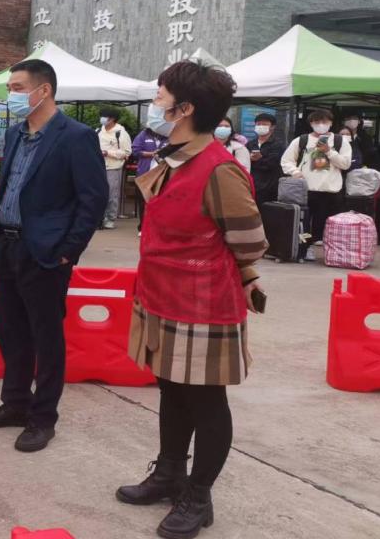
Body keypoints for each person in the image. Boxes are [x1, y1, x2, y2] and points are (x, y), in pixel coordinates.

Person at [116, 60, 267, 539]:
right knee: (172, 389)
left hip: (204, 303)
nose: (154, 104)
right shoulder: (175, 155)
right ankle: (168, 474)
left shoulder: (219, 169)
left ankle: (198, 496)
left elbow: (250, 241)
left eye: (160, 97)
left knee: (205, 399)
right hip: (162, 293)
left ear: (184, 109)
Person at [0, 60, 106, 451]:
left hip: (46, 253)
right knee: (11, 331)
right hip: (6, 245)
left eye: (17, 88)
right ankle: (14, 403)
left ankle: (43, 417)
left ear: (43, 90)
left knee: (46, 337)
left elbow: (93, 200)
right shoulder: (15, 133)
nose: (10, 95)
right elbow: (10, 185)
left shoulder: (76, 137)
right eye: (9, 88)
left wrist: (68, 252)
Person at [280, 108, 351, 259]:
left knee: (326, 223)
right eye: (317, 122)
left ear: (331, 123)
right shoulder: (302, 140)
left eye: (324, 121)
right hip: (306, 189)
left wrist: (329, 151)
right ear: (311, 123)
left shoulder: (340, 141)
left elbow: (345, 164)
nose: (320, 125)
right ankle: (305, 247)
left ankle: (331, 251)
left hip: (331, 190)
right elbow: (286, 160)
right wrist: (295, 172)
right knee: (304, 223)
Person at [96, 107, 131, 229]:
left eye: (105, 117)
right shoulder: (98, 131)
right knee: (98, 194)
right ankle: (99, 219)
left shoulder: (121, 133)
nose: (102, 119)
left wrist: (107, 153)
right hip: (98, 166)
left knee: (111, 195)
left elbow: (126, 153)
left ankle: (110, 219)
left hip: (113, 167)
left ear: (112, 119)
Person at [131, 126, 167, 236]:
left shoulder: (169, 136)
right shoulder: (143, 135)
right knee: (143, 201)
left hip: (162, 174)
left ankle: (158, 227)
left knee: (161, 202)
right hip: (145, 174)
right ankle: (142, 227)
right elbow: (135, 151)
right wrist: (151, 153)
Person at [248, 113, 284, 207]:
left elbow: (271, 164)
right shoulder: (250, 144)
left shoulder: (278, 144)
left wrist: (258, 159)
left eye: (264, 124)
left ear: (272, 127)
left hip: (270, 188)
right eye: (258, 124)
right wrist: (250, 159)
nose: (260, 126)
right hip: (252, 185)